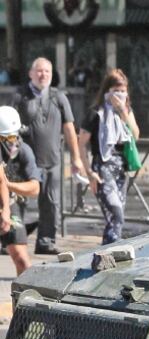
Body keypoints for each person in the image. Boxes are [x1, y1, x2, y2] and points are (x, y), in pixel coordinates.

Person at [12, 57, 85, 255]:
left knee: (51, 203)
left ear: (52, 75)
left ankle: (46, 242)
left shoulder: (59, 97)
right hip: (24, 162)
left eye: (47, 71)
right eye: (39, 71)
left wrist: (76, 158)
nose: (43, 75)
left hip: (52, 160)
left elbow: (69, 128)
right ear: (31, 73)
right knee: (18, 201)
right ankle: (12, 239)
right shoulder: (20, 96)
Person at [77, 69, 140, 245]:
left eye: (123, 90)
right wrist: (89, 172)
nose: (120, 94)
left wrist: (123, 112)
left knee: (116, 219)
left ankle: (108, 252)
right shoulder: (96, 112)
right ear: (107, 91)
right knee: (116, 213)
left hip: (121, 168)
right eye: (116, 90)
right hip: (102, 168)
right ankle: (111, 250)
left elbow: (135, 135)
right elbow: (81, 143)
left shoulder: (126, 111)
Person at [0, 107, 41, 275]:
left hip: (9, 204)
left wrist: (10, 186)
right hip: (5, 205)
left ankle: (23, 291)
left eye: (13, 136)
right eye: (5, 138)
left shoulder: (24, 151)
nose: (11, 142)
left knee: (22, 261)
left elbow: (35, 189)